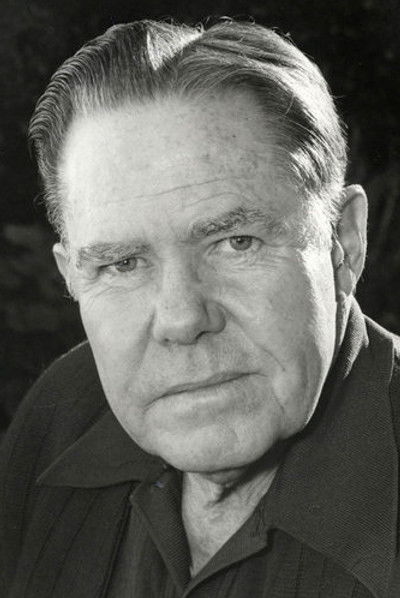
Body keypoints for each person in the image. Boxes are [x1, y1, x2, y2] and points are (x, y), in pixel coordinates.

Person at [0, 18, 399, 598]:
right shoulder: (61, 415)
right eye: (122, 264)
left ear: (344, 243)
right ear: (73, 278)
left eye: (236, 242)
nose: (182, 320)